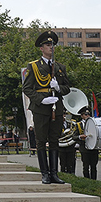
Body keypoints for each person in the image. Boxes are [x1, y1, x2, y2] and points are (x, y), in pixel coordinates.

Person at [22, 31, 70, 184]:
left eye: (52, 45)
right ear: (41, 48)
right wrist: (42, 100)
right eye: (48, 45)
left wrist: (58, 88)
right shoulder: (34, 66)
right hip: (41, 109)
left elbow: (67, 88)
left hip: (57, 106)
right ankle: (44, 173)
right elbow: (27, 88)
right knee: (41, 141)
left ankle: (54, 174)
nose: (51, 47)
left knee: (54, 140)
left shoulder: (60, 67)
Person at [72, 106, 99, 180]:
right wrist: (80, 137)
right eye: (85, 114)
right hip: (84, 148)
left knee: (94, 166)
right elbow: (74, 137)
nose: (87, 116)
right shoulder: (78, 125)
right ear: (82, 116)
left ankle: (94, 181)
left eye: (88, 114)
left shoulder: (94, 123)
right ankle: (87, 180)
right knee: (86, 166)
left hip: (94, 147)